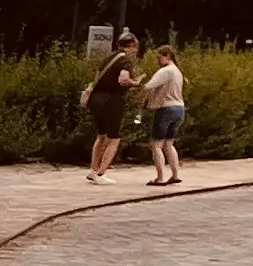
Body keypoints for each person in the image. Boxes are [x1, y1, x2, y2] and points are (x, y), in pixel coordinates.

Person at [81, 36, 138, 182]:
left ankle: (93, 170)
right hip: (113, 101)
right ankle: (101, 174)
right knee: (114, 137)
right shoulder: (125, 60)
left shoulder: (107, 58)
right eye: (135, 47)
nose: (135, 51)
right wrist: (134, 83)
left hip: (96, 99)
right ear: (131, 45)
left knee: (101, 135)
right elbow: (123, 80)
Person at [141, 42, 189, 188]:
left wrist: (135, 84)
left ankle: (160, 178)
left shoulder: (166, 71)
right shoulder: (178, 71)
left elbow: (148, 86)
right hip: (179, 109)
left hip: (166, 109)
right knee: (169, 143)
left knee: (156, 145)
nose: (158, 60)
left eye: (159, 57)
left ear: (167, 56)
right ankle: (175, 175)